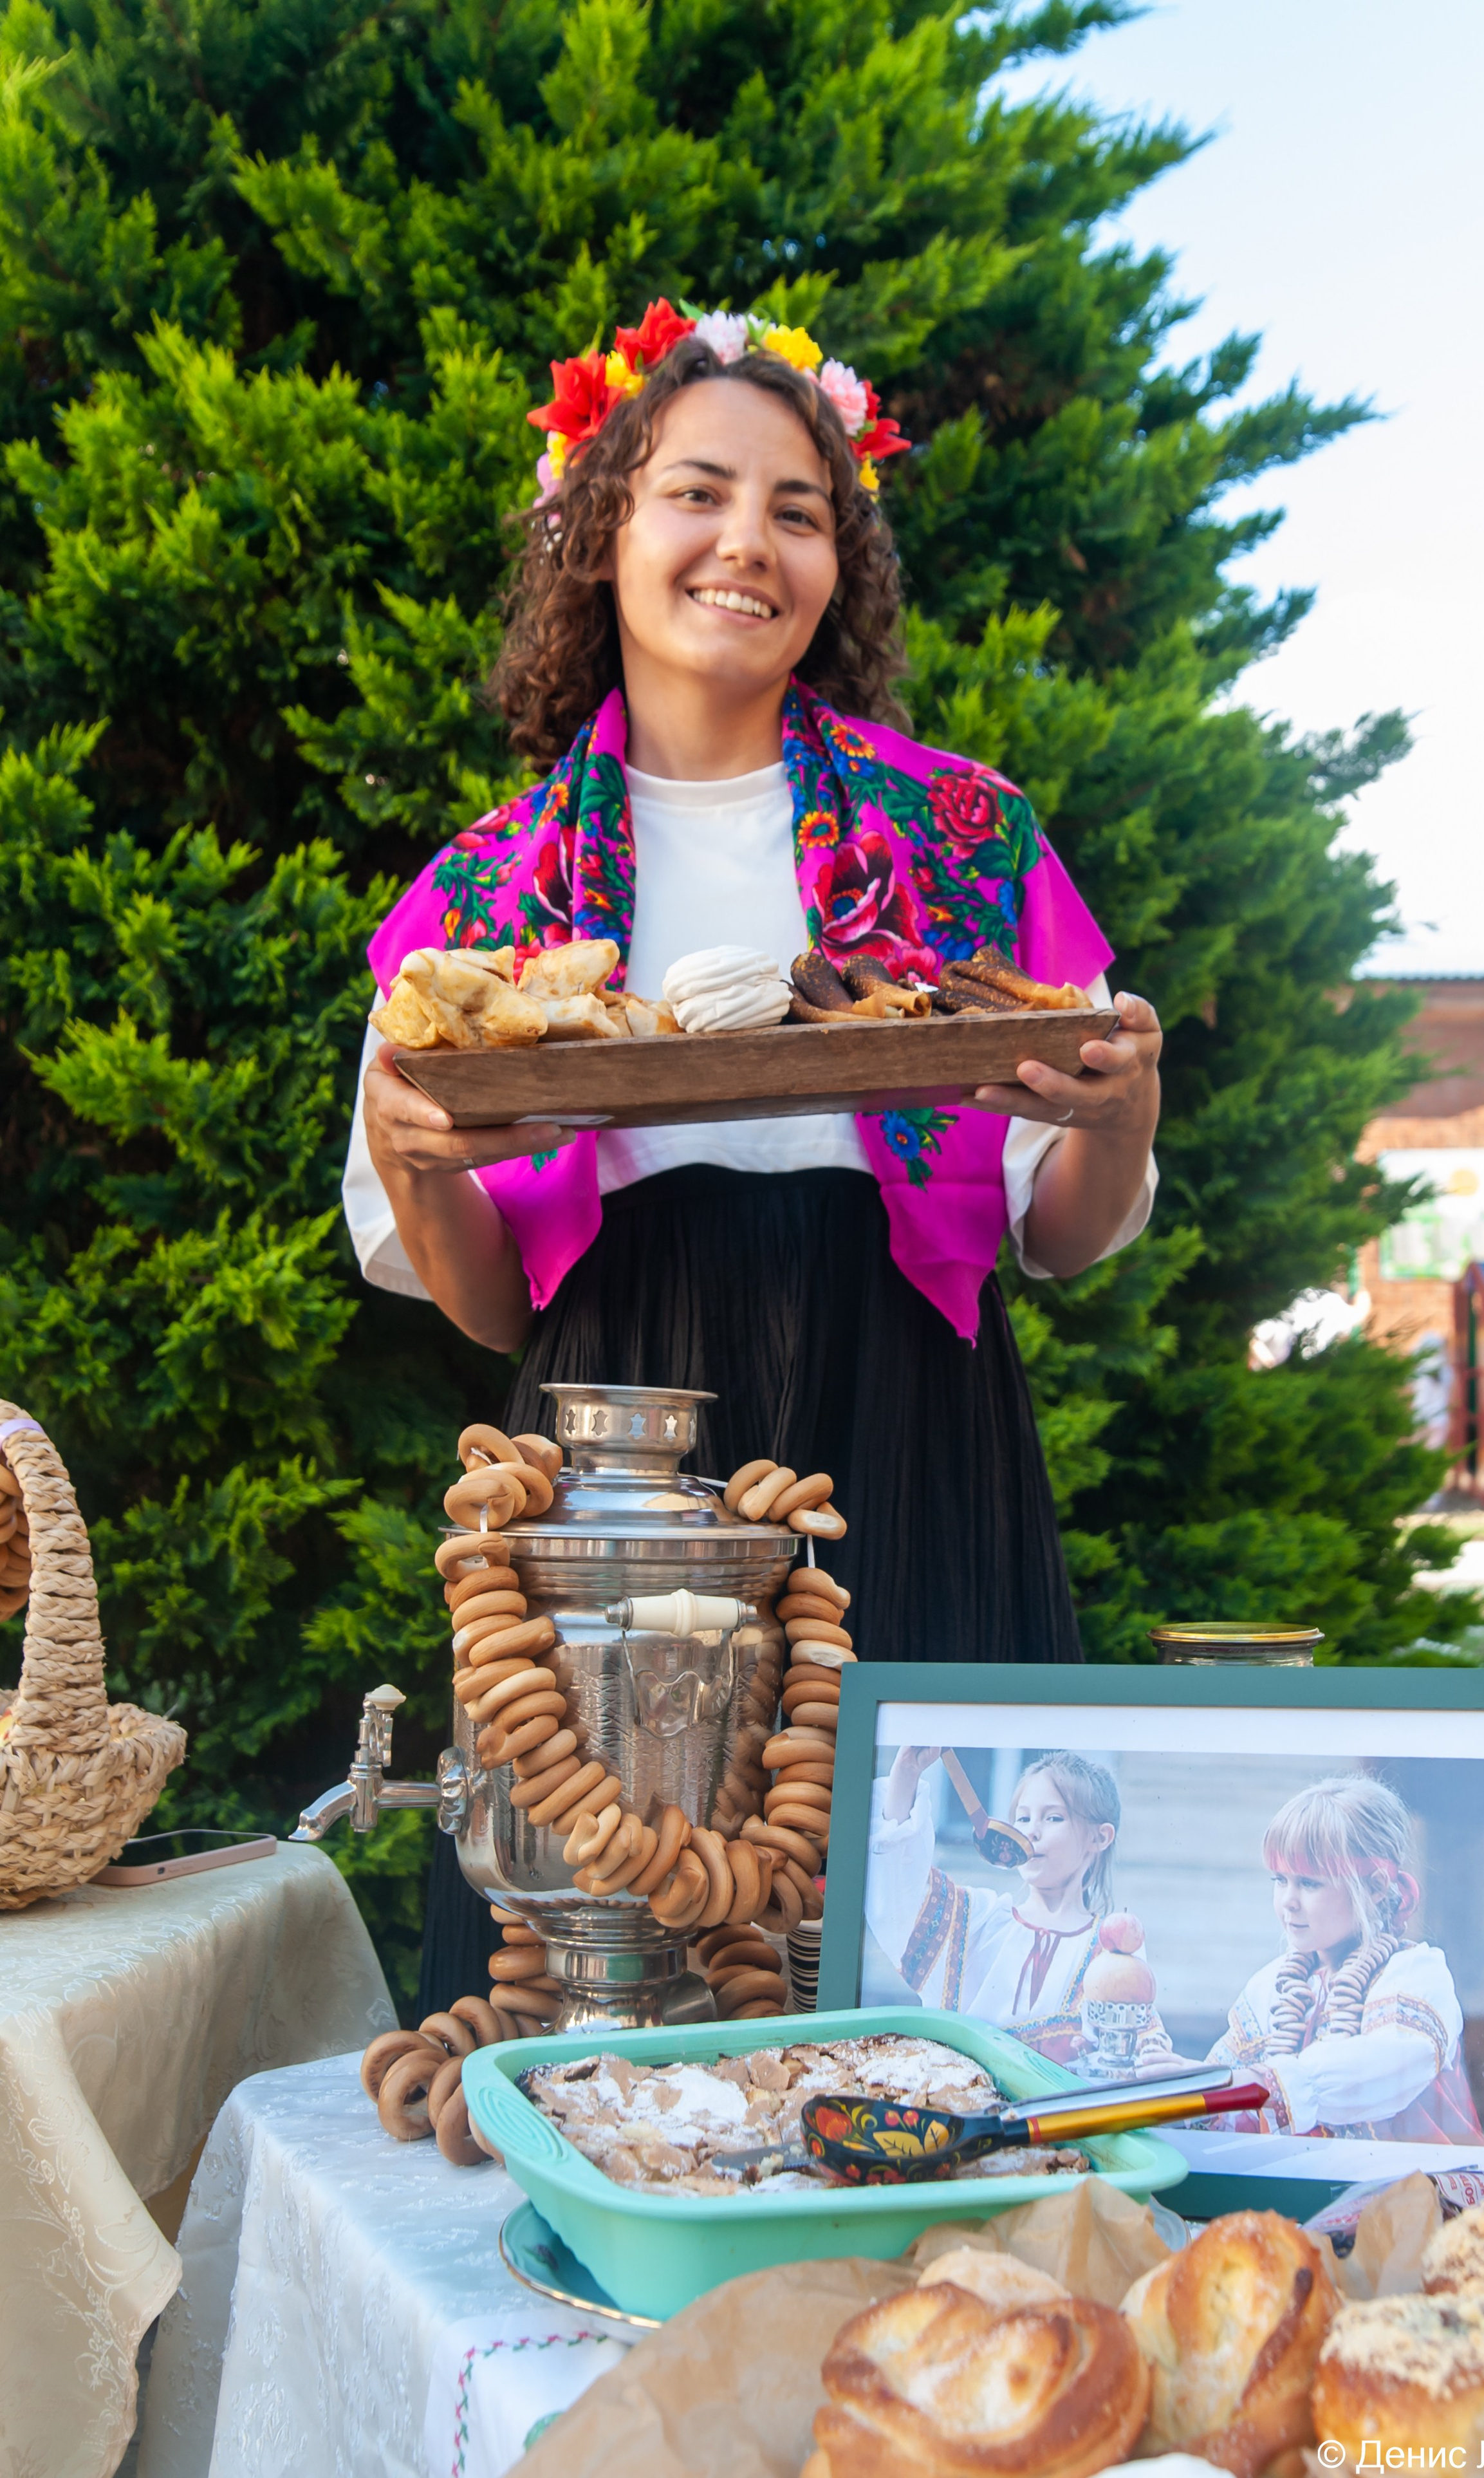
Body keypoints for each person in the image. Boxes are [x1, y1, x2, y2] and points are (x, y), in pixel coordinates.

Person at [340, 303, 1162, 2008]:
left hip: (916, 1415)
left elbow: (1061, 1233)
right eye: (697, 494)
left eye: (800, 510)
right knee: (615, 1946)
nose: (747, 544)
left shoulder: (965, 836)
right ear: (601, 530)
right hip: (622, 1435)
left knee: (937, 1971)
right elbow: (489, 1301)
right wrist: (419, 1159)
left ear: (838, 565)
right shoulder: (482, 906)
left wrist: (1121, 1114)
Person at [1207, 1774, 1483, 2144]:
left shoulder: (1415, 1975)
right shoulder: (1269, 1987)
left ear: (1375, 1888)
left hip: (1412, 2191)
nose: (1289, 1900)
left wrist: (1265, 2086)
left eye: (1309, 1883)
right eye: (1279, 1880)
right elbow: (1221, 2080)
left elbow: (1382, 2067)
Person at [864, 1746, 1171, 2065]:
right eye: (1023, 1818)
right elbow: (897, 1890)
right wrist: (907, 1771)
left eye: (1053, 1818)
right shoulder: (976, 1921)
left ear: (1100, 1838)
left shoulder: (1108, 1951)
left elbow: (1138, 2055)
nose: (1031, 1831)